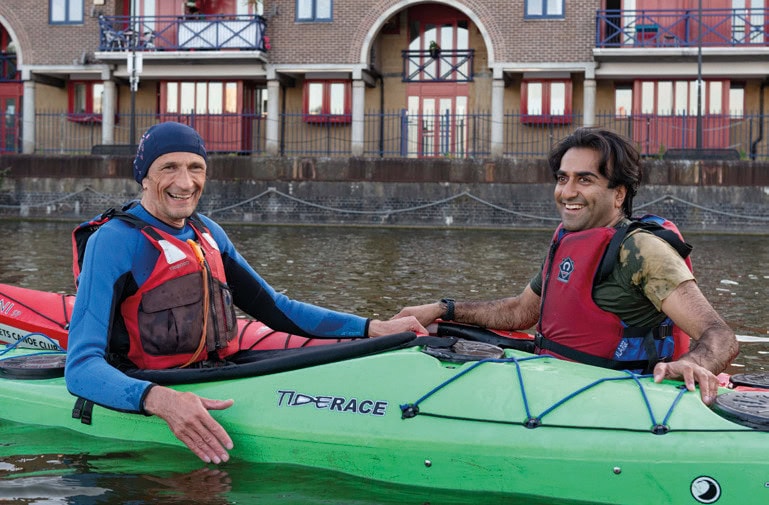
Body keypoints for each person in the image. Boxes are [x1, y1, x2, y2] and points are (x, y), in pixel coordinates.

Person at [65, 121, 427, 465]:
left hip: (217, 370)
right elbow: (81, 369)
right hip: (148, 382)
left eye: (196, 167)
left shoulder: (207, 231)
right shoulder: (113, 242)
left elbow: (276, 309)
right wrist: (159, 400)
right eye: (168, 168)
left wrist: (371, 327)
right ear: (143, 176)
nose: (185, 182)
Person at [392, 127, 738, 406]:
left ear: (618, 194)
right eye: (562, 178)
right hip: (557, 384)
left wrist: (693, 364)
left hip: (621, 397)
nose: (567, 192)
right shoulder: (569, 239)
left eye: (584, 180)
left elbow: (720, 336)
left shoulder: (642, 250)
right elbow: (520, 312)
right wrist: (442, 309)